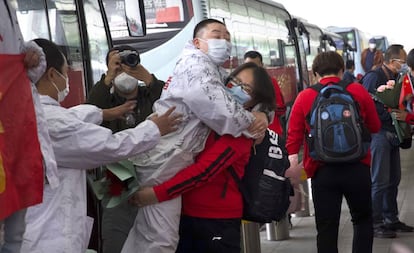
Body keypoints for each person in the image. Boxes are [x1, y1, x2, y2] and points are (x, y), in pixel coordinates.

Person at [121, 19, 268, 253]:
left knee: (148, 235)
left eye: (228, 37)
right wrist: (254, 121)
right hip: (165, 160)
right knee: (160, 240)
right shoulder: (197, 67)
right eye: (217, 35)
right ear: (197, 42)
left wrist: (261, 115)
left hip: (170, 161)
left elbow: (230, 94)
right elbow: (221, 109)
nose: (224, 41)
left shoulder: (209, 69)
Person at [20, 38, 181, 253]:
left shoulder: (31, 112)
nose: (67, 79)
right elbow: (110, 146)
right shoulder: (53, 121)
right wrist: (154, 128)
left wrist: (104, 113)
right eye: (66, 72)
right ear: (51, 74)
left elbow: (72, 118)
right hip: (48, 235)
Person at [286, 51, 381, 253]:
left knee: (327, 227)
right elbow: (374, 126)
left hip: (322, 170)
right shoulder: (357, 90)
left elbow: (293, 135)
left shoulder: (305, 96)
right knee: (362, 220)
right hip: (358, 167)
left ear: (314, 72)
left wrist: (293, 162)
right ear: (342, 69)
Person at [86, 45, 164, 253]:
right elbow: (88, 114)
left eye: (129, 63)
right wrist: (107, 79)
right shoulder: (106, 101)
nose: (124, 71)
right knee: (115, 241)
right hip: (115, 180)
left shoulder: (152, 94)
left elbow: (175, 104)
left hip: (156, 176)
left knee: (156, 240)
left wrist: (149, 78)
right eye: (117, 66)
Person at [0, 1, 58, 252]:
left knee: (16, 230)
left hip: (16, 128)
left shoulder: (8, 6)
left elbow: (27, 71)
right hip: (9, 128)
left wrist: (32, 56)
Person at [361, 44, 414, 238]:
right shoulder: (374, 77)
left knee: (393, 179)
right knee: (380, 181)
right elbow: (366, 105)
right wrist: (389, 114)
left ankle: (391, 219)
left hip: (392, 135)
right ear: (392, 61)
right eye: (402, 61)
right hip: (379, 135)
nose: (404, 65)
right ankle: (375, 223)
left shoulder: (395, 77)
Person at [244, 50, 286, 135]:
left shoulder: (271, 83)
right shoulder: (239, 85)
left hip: (270, 132)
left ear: (261, 66)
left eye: (255, 66)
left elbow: (280, 107)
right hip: (249, 133)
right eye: (248, 66)